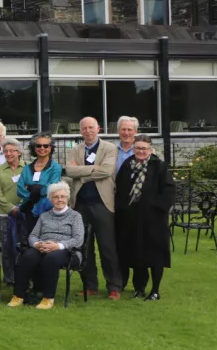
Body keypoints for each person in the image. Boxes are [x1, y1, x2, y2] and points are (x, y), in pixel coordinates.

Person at [63, 117, 122, 300]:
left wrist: (82, 173)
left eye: (91, 127)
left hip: (103, 204)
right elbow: (69, 171)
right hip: (80, 205)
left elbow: (106, 171)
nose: (88, 131)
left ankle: (114, 286)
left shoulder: (110, 148)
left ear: (98, 129)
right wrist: (92, 169)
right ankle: (90, 285)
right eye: (84, 128)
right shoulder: (75, 149)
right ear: (81, 131)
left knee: (107, 247)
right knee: (83, 246)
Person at [114, 135, 175, 301]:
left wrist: (156, 207)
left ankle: (155, 290)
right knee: (136, 254)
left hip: (154, 220)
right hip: (131, 219)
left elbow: (168, 190)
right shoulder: (127, 166)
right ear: (133, 149)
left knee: (155, 255)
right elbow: (119, 190)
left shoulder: (158, 166)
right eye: (138, 148)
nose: (141, 151)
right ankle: (139, 288)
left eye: (144, 148)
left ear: (150, 149)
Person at [8, 182, 84, 310]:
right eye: (56, 197)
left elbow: (78, 239)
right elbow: (33, 235)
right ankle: (18, 296)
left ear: (67, 198)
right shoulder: (44, 216)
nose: (60, 199)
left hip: (66, 250)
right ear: (50, 199)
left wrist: (57, 245)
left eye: (63, 196)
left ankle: (48, 298)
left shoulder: (75, 216)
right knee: (27, 256)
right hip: (43, 247)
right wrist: (37, 244)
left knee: (51, 259)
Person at [15, 134, 62, 245]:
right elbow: (20, 189)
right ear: (34, 148)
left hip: (47, 210)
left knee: (47, 241)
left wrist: (34, 189)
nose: (42, 148)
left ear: (51, 148)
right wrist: (35, 194)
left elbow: (52, 187)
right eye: (38, 145)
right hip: (29, 210)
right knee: (31, 241)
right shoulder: (26, 168)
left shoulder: (56, 167)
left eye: (46, 146)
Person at [0, 137, 25, 284]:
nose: (9, 153)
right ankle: (9, 277)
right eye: (6, 151)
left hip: (24, 213)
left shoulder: (28, 168)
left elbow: (30, 189)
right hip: (4, 214)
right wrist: (11, 208)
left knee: (23, 245)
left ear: (19, 152)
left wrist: (22, 206)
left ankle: (23, 275)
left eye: (12, 150)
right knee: (6, 246)